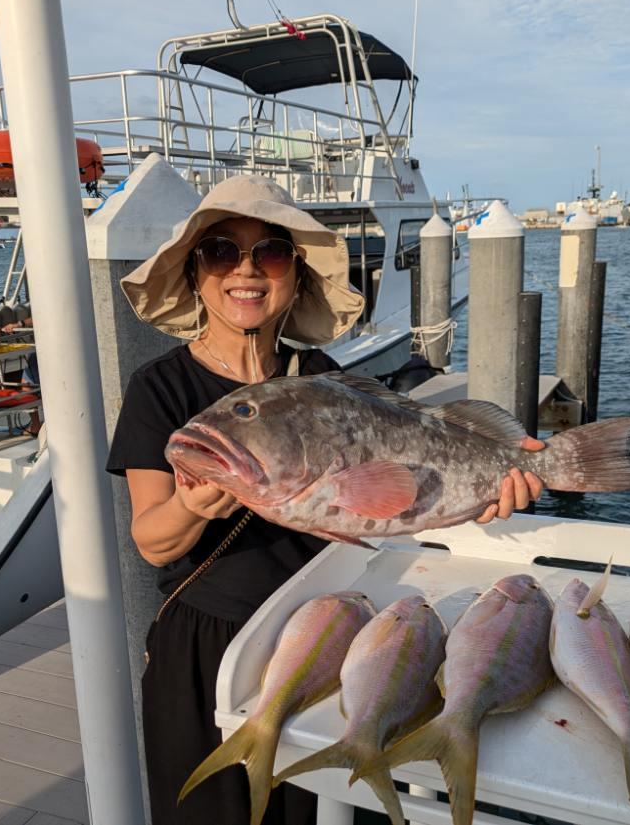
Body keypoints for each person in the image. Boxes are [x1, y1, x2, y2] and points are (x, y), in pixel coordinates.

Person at [105, 175, 543, 825]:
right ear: (196, 273)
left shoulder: (324, 381)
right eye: (222, 251)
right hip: (210, 644)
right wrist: (194, 507)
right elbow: (151, 539)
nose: (246, 270)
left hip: (332, 626)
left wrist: (478, 494)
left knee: (327, 809)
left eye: (271, 252)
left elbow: (389, 497)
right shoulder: (158, 387)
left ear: (295, 276)